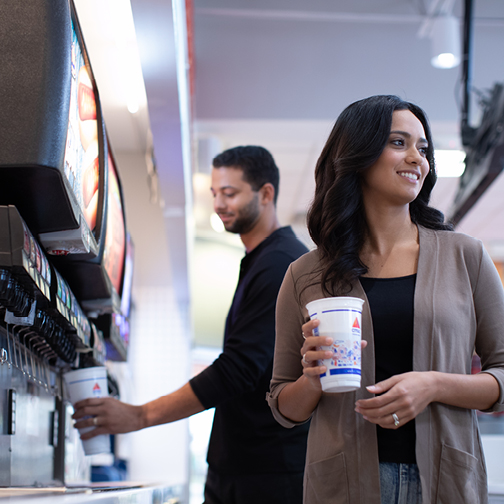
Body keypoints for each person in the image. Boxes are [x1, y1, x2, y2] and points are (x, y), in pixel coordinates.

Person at [267, 95, 504, 504]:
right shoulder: (305, 275)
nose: (417, 158)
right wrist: (311, 378)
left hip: (445, 482)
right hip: (344, 486)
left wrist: (432, 385)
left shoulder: (465, 256)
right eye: (399, 142)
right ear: (357, 156)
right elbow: (284, 408)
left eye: (423, 147)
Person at [73, 145, 310, 504]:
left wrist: (140, 416)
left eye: (230, 193)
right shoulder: (262, 260)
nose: (218, 203)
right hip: (243, 467)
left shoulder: (279, 263)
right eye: (215, 193)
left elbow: (238, 369)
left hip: (267, 473)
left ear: (266, 194)